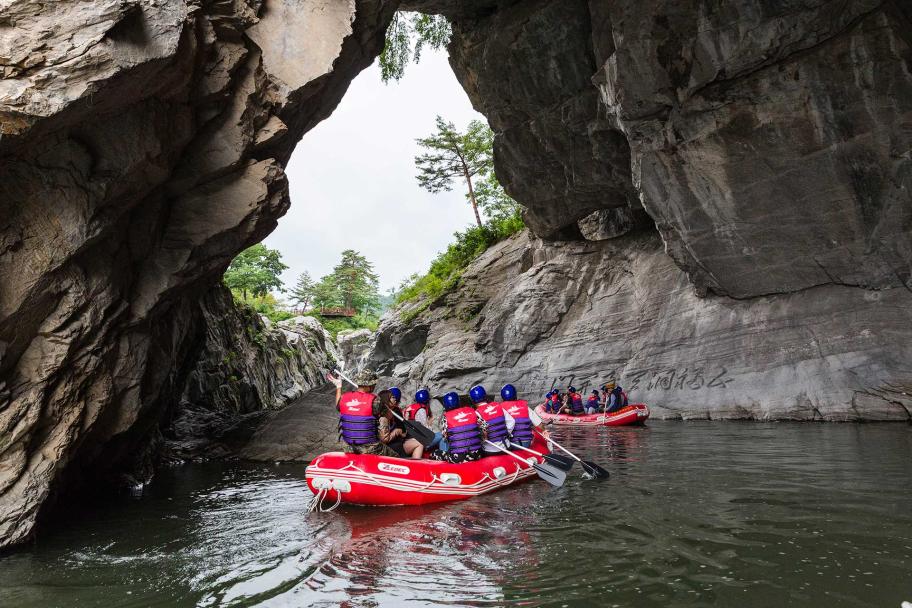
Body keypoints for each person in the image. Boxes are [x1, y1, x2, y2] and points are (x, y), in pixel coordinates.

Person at [331, 368, 396, 456]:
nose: (374, 385)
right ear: (369, 386)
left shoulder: (344, 398)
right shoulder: (375, 400)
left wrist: (339, 386)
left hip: (348, 447)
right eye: (373, 384)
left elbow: (338, 405)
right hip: (370, 448)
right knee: (395, 456)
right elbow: (389, 416)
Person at [435, 391, 482, 463]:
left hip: (458, 458)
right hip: (477, 454)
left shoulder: (446, 417)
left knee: (435, 453)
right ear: (459, 402)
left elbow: (444, 436)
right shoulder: (472, 411)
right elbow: (483, 428)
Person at [376, 389, 424, 459]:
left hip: (396, 442)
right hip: (388, 447)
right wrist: (397, 431)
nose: (395, 398)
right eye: (392, 397)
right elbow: (384, 439)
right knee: (419, 444)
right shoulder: (383, 417)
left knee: (419, 440)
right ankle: (414, 467)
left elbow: (403, 429)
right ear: (386, 400)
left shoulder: (394, 411)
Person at [499, 383, 549, 448]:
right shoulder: (525, 407)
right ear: (515, 395)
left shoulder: (499, 408)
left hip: (510, 443)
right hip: (526, 443)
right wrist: (544, 431)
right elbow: (539, 424)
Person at [471, 385, 510, 456]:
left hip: (490, 450)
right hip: (506, 446)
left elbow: (480, 436)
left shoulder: (477, 413)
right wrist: (506, 434)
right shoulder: (498, 406)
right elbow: (511, 422)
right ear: (485, 396)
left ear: (473, 400)